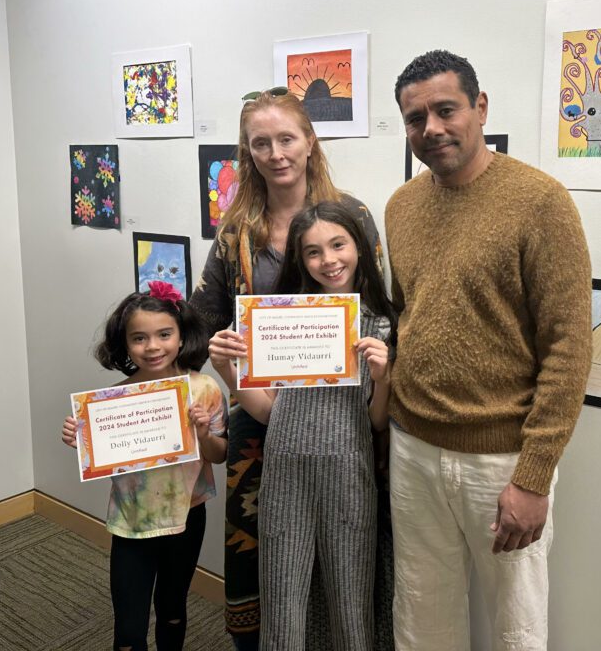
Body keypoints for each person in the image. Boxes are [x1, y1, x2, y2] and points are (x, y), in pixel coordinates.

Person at [385, 50, 593, 651]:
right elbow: (406, 317)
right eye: (415, 117)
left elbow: (568, 348)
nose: (432, 129)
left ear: (480, 108)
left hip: (501, 458)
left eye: (446, 109)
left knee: (516, 626)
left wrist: (533, 477)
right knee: (421, 611)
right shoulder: (401, 206)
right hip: (413, 448)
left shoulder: (540, 203)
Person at [188, 89, 386, 650]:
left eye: (286, 139)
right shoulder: (237, 232)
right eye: (260, 144)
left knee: (345, 562)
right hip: (258, 420)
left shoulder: (352, 216)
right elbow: (201, 317)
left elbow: (376, 306)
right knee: (265, 557)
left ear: (309, 141)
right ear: (247, 153)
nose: (275, 153)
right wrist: (156, 378)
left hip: (341, 422)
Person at [209, 201, 396, 651]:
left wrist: (383, 377)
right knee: (282, 596)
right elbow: (268, 412)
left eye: (338, 245)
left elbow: (376, 422)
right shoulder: (277, 318)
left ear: (359, 248)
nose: (328, 260)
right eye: (313, 252)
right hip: (284, 473)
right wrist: (226, 369)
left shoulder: (380, 324)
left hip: (350, 476)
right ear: (300, 259)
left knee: (351, 596)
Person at [61, 281, 228, 651]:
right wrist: (81, 435)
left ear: (182, 337)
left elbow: (218, 455)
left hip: (187, 518)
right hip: (131, 525)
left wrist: (202, 431)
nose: (153, 347)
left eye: (164, 334)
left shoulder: (205, 390)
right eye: (139, 338)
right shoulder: (114, 401)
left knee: (172, 610)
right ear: (125, 344)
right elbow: (101, 454)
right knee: (129, 629)